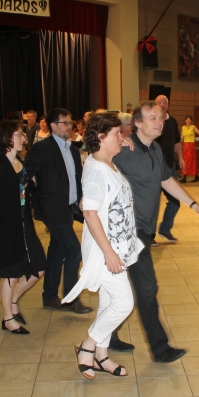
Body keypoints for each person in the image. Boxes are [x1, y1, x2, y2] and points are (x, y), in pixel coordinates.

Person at [109, 101, 199, 362]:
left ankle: (106, 335)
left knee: (120, 287)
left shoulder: (154, 148)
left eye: (161, 117)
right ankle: (160, 348)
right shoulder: (123, 150)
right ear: (137, 123)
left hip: (145, 229)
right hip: (128, 232)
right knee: (147, 288)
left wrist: (193, 205)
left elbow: (166, 179)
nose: (159, 122)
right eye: (152, 117)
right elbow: (96, 159)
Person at [63, 113, 142, 379]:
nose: (123, 137)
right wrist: (109, 253)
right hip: (105, 249)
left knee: (108, 302)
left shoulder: (106, 162)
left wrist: (124, 142)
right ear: (100, 137)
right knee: (123, 303)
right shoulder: (97, 170)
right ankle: (87, 347)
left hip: (117, 247)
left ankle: (102, 355)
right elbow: (89, 211)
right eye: (117, 133)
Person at [25, 108, 91, 314]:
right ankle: (71, 299)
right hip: (52, 209)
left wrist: (81, 198)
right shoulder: (42, 148)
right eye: (65, 123)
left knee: (57, 251)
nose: (69, 127)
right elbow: (27, 173)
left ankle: (50, 297)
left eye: (71, 123)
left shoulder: (72, 149)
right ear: (53, 125)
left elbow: (76, 177)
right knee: (74, 251)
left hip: (68, 208)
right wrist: (28, 186)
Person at [0, 121, 46, 334]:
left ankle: (12, 301)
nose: (23, 138)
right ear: (7, 139)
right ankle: (8, 319)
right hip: (7, 227)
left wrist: (31, 183)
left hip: (24, 224)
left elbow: (22, 190)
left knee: (38, 268)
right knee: (11, 274)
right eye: (19, 134)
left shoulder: (19, 162)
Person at [154, 94, 183, 244]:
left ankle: (165, 229)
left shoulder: (172, 121)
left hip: (169, 169)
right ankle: (148, 236)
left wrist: (181, 158)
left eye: (164, 102)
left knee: (175, 200)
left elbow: (177, 141)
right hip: (153, 169)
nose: (162, 105)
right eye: (159, 102)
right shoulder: (151, 121)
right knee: (152, 204)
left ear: (168, 105)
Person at [179, 116, 199, 183]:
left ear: (191, 120)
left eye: (189, 119)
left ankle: (194, 176)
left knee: (192, 160)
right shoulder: (183, 127)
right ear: (185, 120)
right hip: (185, 145)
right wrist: (178, 143)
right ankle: (186, 176)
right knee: (185, 160)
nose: (188, 121)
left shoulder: (193, 127)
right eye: (187, 119)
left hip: (191, 145)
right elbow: (182, 137)